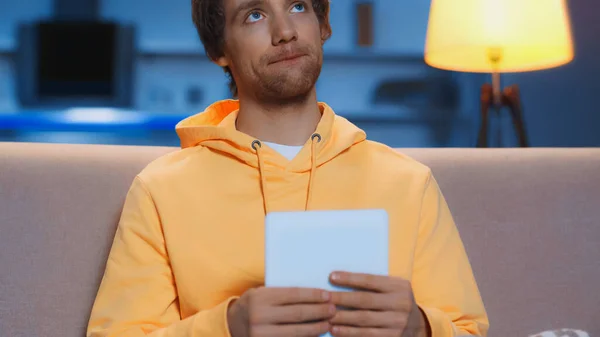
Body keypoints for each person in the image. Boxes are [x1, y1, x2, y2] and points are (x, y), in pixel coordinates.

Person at [87, 0, 489, 336]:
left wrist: (420, 328)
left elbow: (468, 328)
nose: (285, 31)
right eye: (254, 15)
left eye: (297, 6)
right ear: (218, 51)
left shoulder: (409, 182)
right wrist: (228, 326)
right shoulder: (160, 191)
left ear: (323, 24)